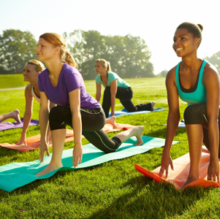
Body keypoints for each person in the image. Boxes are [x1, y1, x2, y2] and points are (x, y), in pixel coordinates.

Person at [35, 33, 144, 177]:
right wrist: (43, 140)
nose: (37, 49)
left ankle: (55, 163)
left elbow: (75, 111)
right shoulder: (42, 77)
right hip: (78, 118)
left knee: (57, 112)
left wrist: (78, 145)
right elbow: (44, 110)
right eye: (38, 45)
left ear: (56, 50)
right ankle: (135, 131)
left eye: (42, 45)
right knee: (110, 147)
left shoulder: (70, 74)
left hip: (94, 115)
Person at [158, 22, 220, 190]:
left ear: (197, 42)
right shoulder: (172, 75)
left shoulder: (209, 72)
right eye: (175, 39)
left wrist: (213, 161)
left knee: (191, 111)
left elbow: (213, 117)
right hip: (203, 117)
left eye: (183, 38)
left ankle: (193, 176)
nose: (176, 43)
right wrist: (166, 151)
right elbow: (173, 115)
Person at [16, 60, 117, 146]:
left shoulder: (49, 85)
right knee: (109, 146)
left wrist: (46, 139)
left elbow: (52, 113)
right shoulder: (29, 89)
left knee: (60, 114)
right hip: (72, 114)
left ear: (39, 73)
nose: (24, 73)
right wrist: (22, 136)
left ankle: (107, 120)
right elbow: (28, 113)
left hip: (77, 111)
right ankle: (110, 121)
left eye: (28, 71)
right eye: (24, 70)